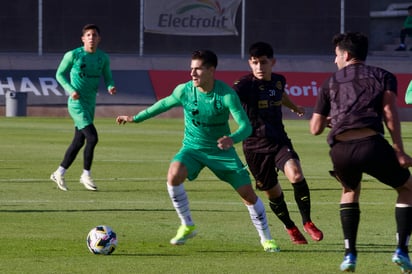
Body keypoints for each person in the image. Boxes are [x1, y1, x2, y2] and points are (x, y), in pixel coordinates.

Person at [116, 49, 280, 252]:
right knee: (174, 174)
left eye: (198, 69)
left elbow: (246, 126)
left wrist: (232, 139)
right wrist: (135, 118)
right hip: (192, 148)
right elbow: (162, 104)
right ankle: (187, 224)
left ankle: (267, 239)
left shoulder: (226, 94)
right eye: (191, 69)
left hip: (221, 151)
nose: (192, 74)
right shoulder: (184, 90)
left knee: (247, 194)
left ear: (211, 70)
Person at [310, 32, 412, 273]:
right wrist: (399, 150)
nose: (335, 60)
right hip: (371, 145)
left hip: (341, 150)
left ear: (346, 55)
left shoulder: (330, 82)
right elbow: (389, 112)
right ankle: (401, 251)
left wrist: (335, 121)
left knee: (349, 190)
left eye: (336, 55)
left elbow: (314, 128)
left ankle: (350, 255)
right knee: (407, 188)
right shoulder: (383, 76)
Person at [232, 42, 323, 245]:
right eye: (255, 63)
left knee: (296, 175)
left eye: (263, 62)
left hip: (279, 141)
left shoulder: (279, 80)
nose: (259, 67)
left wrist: (294, 107)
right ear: (250, 63)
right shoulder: (243, 86)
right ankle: (290, 226)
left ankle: (307, 222)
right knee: (273, 192)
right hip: (254, 147)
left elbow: (279, 95)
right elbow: (229, 99)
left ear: (272, 62)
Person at [50, 24, 117, 191]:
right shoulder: (73, 55)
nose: (91, 38)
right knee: (92, 138)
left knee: (78, 141)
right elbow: (59, 74)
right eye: (88, 35)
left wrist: (110, 87)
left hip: (90, 103)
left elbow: (108, 77)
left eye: (94, 35)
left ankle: (59, 172)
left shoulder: (103, 58)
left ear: (99, 38)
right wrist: (71, 90)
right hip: (76, 103)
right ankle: (86, 174)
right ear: (83, 39)